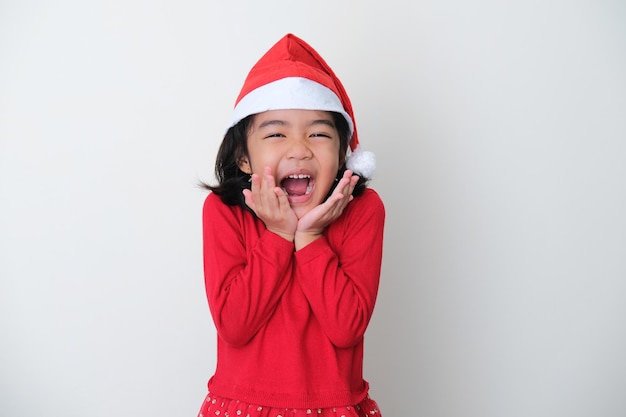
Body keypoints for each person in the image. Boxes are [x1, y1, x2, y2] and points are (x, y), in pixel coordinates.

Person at [198, 33, 385, 417]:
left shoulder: (364, 210)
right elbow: (234, 326)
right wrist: (279, 235)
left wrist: (310, 237)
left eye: (318, 133)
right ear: (244, 158)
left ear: (342, 153)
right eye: (276, 133)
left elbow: (347, 327)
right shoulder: (222, 211)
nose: (299, 148)